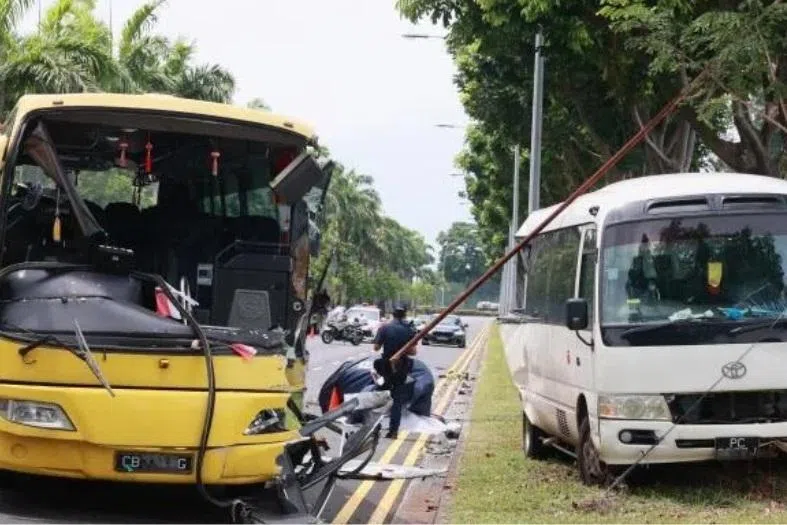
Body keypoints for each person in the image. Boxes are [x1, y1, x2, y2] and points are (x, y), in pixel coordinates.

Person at [373, 303, 417, 439]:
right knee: (397, 399)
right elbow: (413, 352)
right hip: (401, 366)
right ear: (404, 315)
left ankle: (374, 428)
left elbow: (376, 347)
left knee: (379, 397)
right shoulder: (409, 330)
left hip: (385, 366)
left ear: (392, 315)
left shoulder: (384, 328)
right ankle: (393, 431)